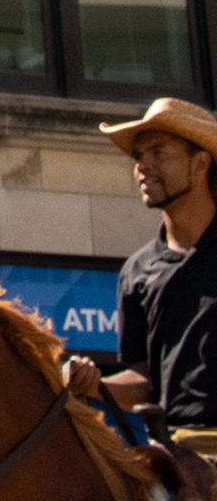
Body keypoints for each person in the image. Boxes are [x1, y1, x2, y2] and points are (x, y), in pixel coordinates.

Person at [66, 97, 217, 446]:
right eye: (138, 157)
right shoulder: (137, 271)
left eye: (158, 153)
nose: (142, 167)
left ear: (201, 163)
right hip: (173, 460)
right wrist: (93, 384)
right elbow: (145, 381)